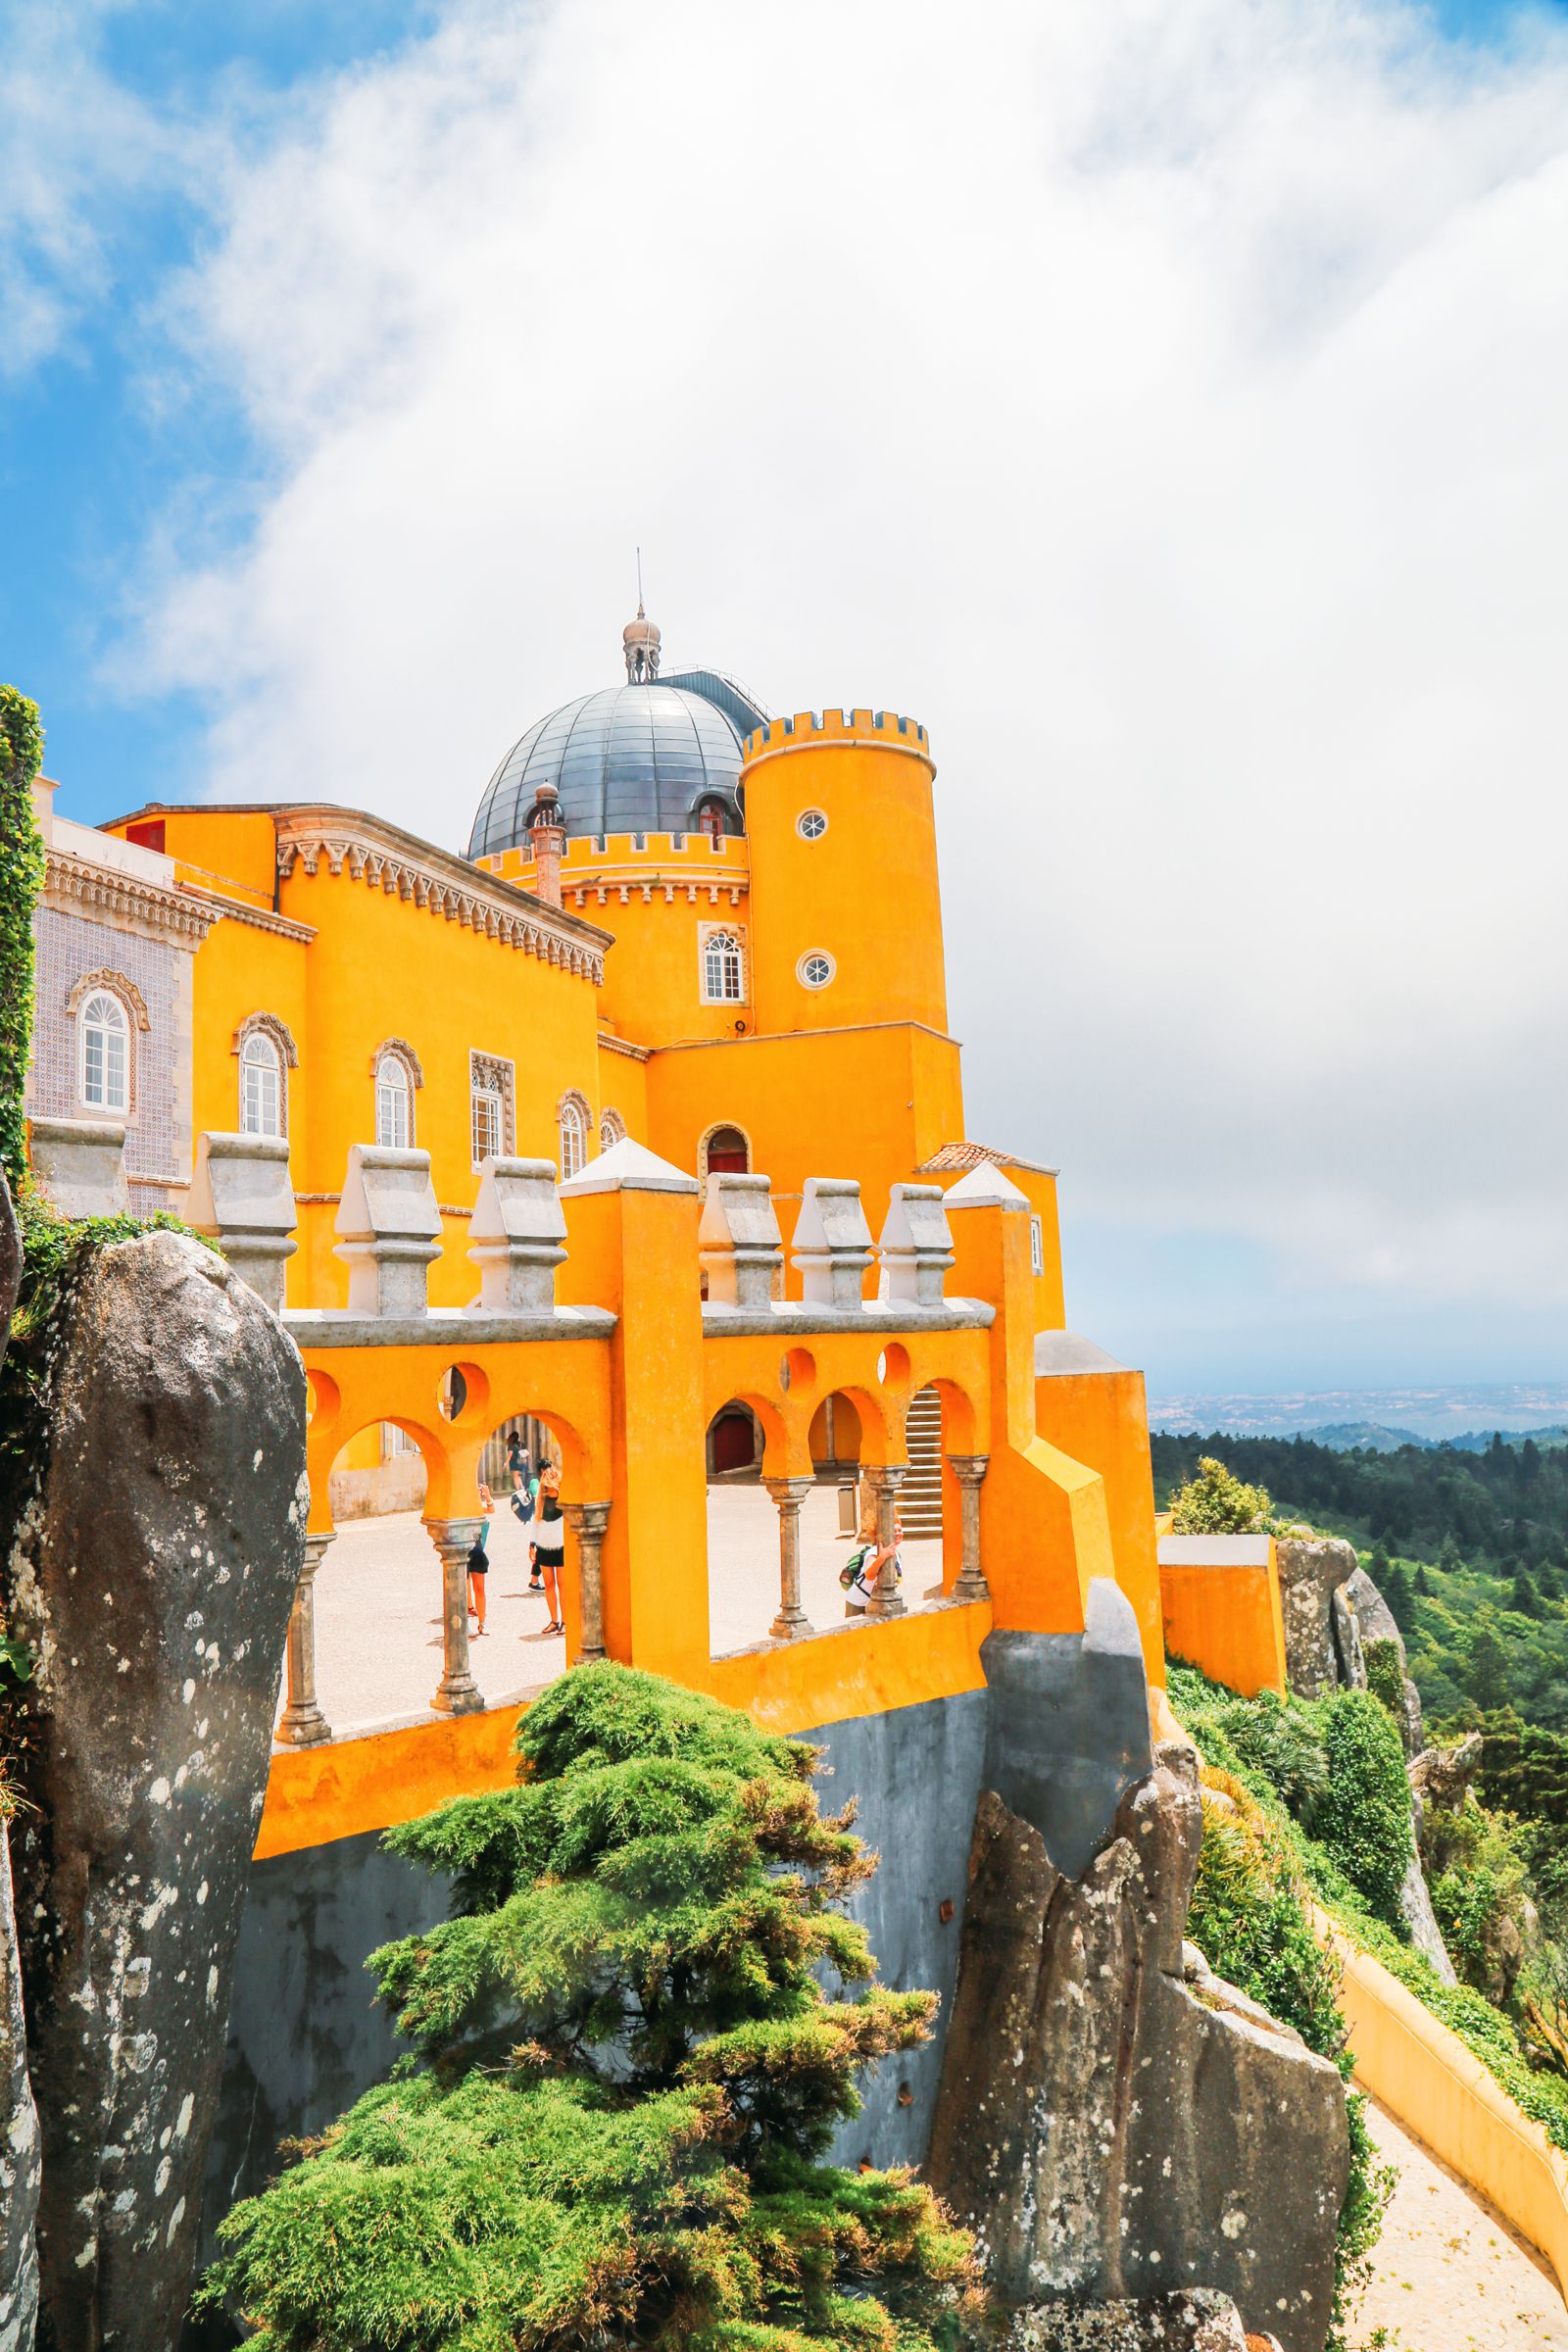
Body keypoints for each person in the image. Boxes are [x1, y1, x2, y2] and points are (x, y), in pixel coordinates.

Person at [841, 1505, 902, 1617]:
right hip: (858, 1603)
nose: (898, 1533)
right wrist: (882, 1557)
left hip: (876, 1602)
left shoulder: (896, 1554)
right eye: (894, 1531)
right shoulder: (874, 1552)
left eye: (899, 1530)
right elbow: (869, 1574)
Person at [530, 1461, 566, 1634]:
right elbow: (535, 1523)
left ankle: (565, 1621)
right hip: (544, 1547)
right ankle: (554, 1620)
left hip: (561, 1547)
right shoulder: (541, 1501)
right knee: (549, 1585)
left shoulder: (564, 1500)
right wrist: (532, 1545)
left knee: (562, 1584)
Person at [467, 1482, 495, 1636]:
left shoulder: (477, 1507)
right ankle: (464, 1623)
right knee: (463, 1590)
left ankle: (482, 1624)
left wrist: (487, 1495)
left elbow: (491, 1509)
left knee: (480, 1589)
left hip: (476, 1549)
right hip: (462, 1550)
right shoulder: (461, 1508)